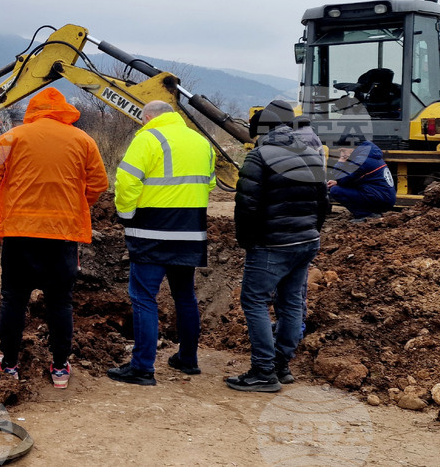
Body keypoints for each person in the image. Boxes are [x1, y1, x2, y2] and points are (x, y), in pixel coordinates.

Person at [0, 87, 108, 389]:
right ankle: (60, 369)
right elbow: (98, 183)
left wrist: (10, 197)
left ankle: (10, 365)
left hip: (19, 233)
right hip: (63, 236)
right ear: (64, 111)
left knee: (14, 300)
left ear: (33, 110)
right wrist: (75, 204)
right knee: (60, 302)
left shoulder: (13, 137)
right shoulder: (83, 140)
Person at [107, 100, 216, 386]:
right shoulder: (201, 142)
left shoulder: (148, 138)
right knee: (185, 297)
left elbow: (126, 180)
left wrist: (126, 215)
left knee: (144, 297)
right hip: (190, 232)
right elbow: (210, 183)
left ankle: (142, 368)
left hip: (152, 232)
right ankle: (188, 359)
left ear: (147, 117)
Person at [228, 99, 329, 393]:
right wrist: (312, 231)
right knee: (291, 302)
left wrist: (247, 240)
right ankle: (281, 365)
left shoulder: (259, 156)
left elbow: (246, 205)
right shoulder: (311, 153)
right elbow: (323, 200)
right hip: (306, 241)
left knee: (255, 302)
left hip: (272, 244)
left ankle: (263, 370)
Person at [328, 140, 396, 220]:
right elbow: (353, 179)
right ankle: (372, 213)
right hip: (384, 197)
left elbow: (341, 178)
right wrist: (337, 182)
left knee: (336, 190)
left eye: (343, 150)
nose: (342, 154)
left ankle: (365, 215)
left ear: (352, 148)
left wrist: (341, 161)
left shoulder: (361, 160)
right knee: (342, 187)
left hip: (381, 199)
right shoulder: (370, 155)